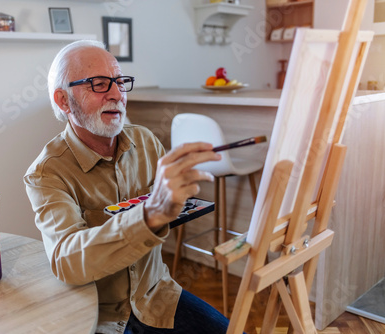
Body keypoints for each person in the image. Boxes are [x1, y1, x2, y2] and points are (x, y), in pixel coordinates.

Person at [24, 40, 231, 333]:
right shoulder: (46, 173)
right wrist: (148, 216)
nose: (116, 94)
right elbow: (66, 261)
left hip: (159, 296)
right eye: (99, 84)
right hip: (100, 316)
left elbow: (166, 215)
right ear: (63, 101)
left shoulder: (146, 142)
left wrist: (175, 199)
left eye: (120, 82)